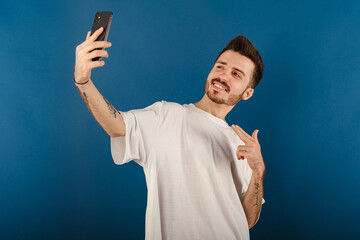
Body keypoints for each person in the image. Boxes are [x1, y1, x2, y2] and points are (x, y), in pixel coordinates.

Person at [73, 27, 266, 240]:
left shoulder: (243, 146)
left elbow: (248, 220)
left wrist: (258, 170)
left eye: (236, 74)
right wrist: (83, 81)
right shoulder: (166, 115)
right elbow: (115, 124)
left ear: (247, 93)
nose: (223, 76)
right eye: (220, 66)